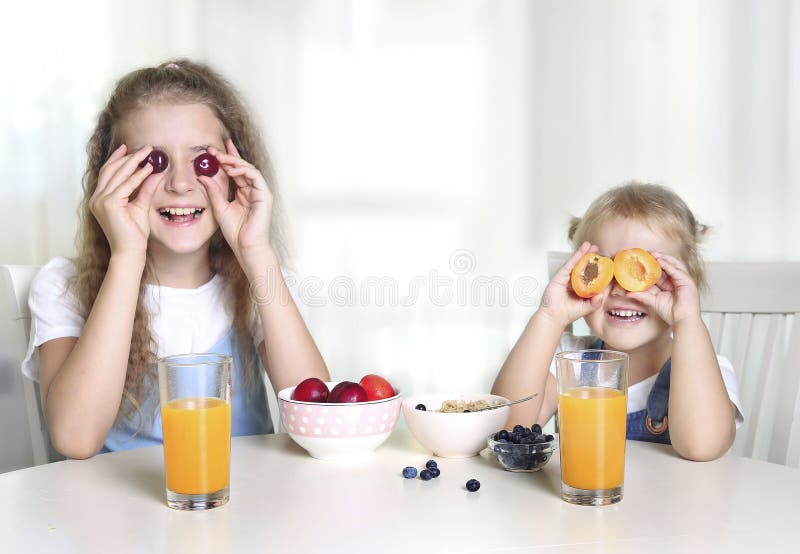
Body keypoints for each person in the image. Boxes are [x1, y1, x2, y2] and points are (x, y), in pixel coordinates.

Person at [22, 59, 329, 458]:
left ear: (237, 171)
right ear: (111, 177)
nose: (181, 184)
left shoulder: (259, 281)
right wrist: (127, 256)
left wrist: (256, 253)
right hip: (120, 517)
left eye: (203, 161)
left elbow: (320, 421)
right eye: (153, 162)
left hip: (248, 511)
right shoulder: (63, 285)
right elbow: (75, 440)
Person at [492, 182, 743, 461]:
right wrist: (549, 317)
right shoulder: (568, 361)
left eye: (651, 273)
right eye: (602, 268)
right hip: (580, 502)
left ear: (686, 287)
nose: (622, 289)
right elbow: (507, 431)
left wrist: (687, 321)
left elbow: (702, 447)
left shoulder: (706, 369)